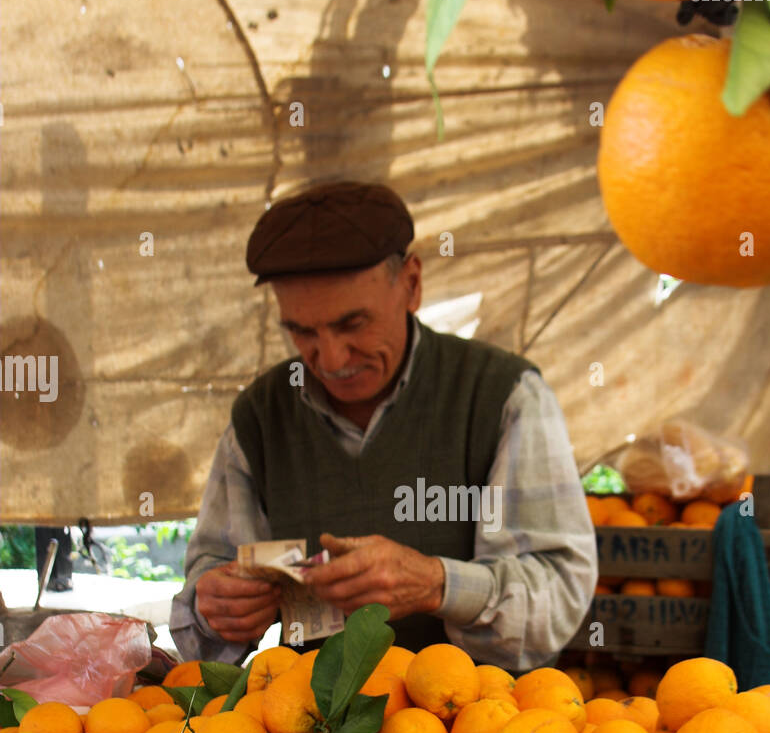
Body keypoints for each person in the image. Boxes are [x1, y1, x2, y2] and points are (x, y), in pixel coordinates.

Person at [169, 181, 597, 671]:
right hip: (311, 728)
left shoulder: (503, 396)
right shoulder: (261, 418)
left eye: (353, 325)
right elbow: (207, 601)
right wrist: (216, 605)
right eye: (302, 332)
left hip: (472, 727)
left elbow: (560, 591)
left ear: (411, 284)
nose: (330, 358)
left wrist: (437, 584)